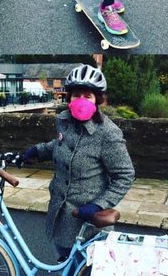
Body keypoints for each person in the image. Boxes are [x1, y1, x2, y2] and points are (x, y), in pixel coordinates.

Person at [20, 65, 134, 258]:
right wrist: (38, 152)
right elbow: (61, 144)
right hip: (61, 214)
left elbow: (125, 175)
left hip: (86, 220)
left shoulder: (108, 133)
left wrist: (99, 204)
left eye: (87, 96)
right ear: (69, 97)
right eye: (76, 95)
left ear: (97, 100)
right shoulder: (65, 122)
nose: (81, 101)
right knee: (66, 265)